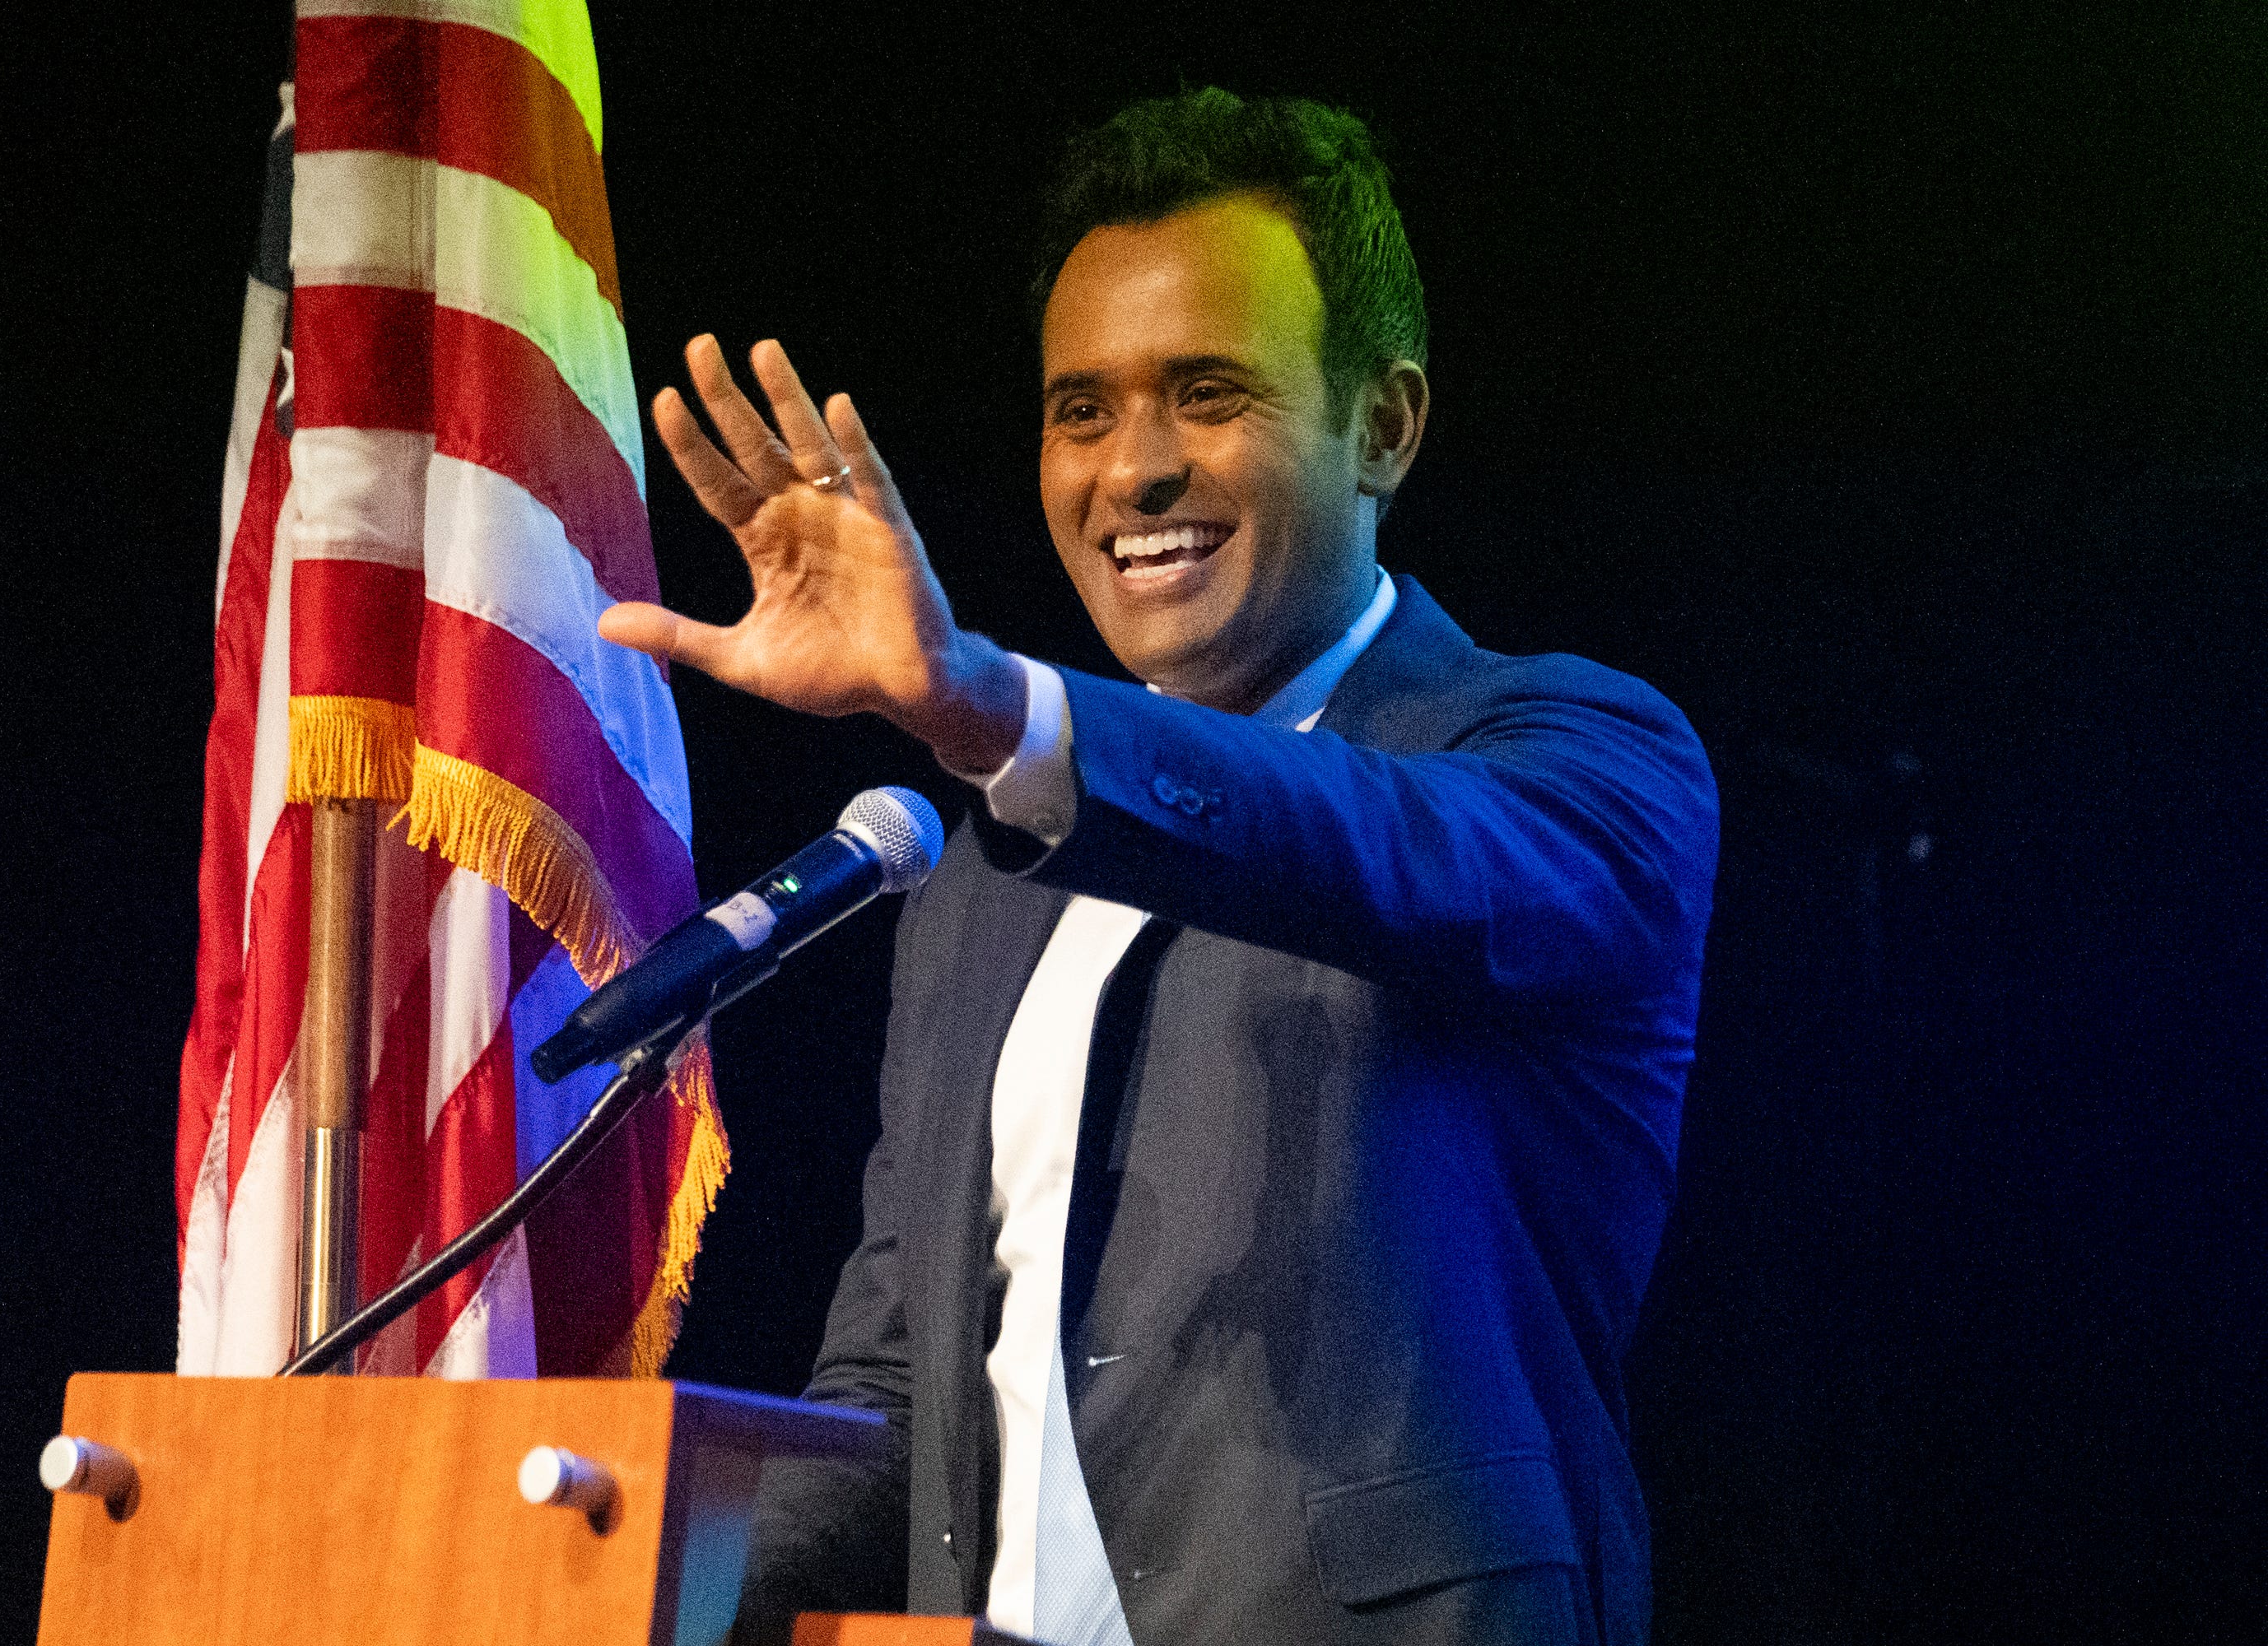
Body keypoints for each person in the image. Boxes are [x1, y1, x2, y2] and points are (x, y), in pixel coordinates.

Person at [598, 88, 1717, 1646]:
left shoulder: (1575, 760)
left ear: (1383, 425)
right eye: (1082, 410)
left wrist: (998, 709)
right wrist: (646, 1587)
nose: (1132, 472)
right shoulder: (986, 879)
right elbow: (897, 1386)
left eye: (1206, 394)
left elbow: (1368, 851)